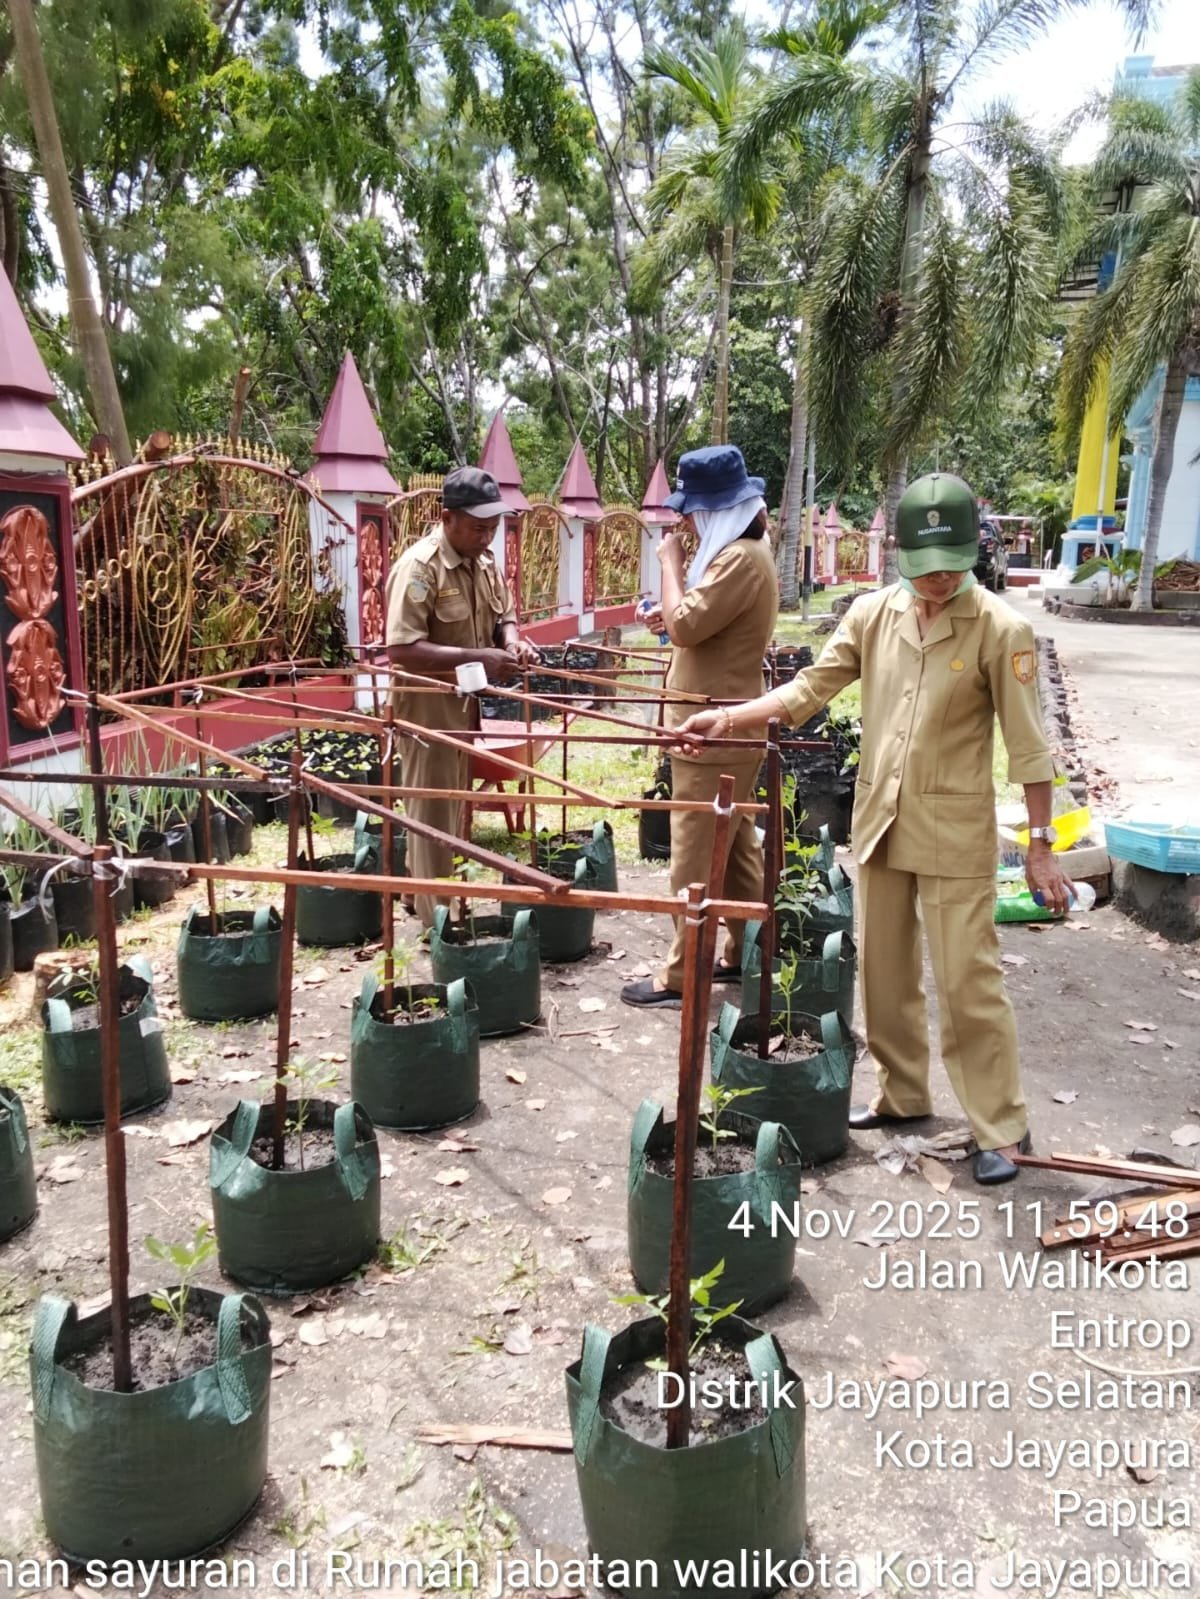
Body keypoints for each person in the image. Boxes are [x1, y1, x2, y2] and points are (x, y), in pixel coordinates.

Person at [673, 472, 1071, 1185]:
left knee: (967, 979)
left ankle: (1000, 1124)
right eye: (924, 570)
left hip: (954, 831)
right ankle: (903, 1091)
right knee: (884, 975)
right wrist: (726, 716)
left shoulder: (1000, 631)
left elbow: (1031, 752)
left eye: (951, 568)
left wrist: (1041, 849)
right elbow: (806, 691)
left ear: (971, 554)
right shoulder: (872, 615)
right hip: (882, 824)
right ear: (901, 558)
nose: (938, 582)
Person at [621, 444, 778, 1009]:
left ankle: (683, 976)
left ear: (717, 510)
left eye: (691, 512)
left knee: (692, 858)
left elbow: (687, 628)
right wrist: (670, 606)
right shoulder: (742, 554)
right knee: (734, 855)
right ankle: (746, 952)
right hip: (722, 730)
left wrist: (668, 566)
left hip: (714, 734)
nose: (683, 523)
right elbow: (697, 621)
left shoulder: (737, 558)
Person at [385, 466, 540, 926]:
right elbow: (400, 647)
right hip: (426, 708)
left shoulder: (484, 563)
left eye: (493, 527)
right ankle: (440, 919)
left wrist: (512, 641)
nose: (486, 536)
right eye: (478, 527)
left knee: (451, 804)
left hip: (464, 705)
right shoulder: (420, 567)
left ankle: (422, 895)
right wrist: (477, 656)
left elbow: (504, 615)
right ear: (447, 517)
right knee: (431, 808)